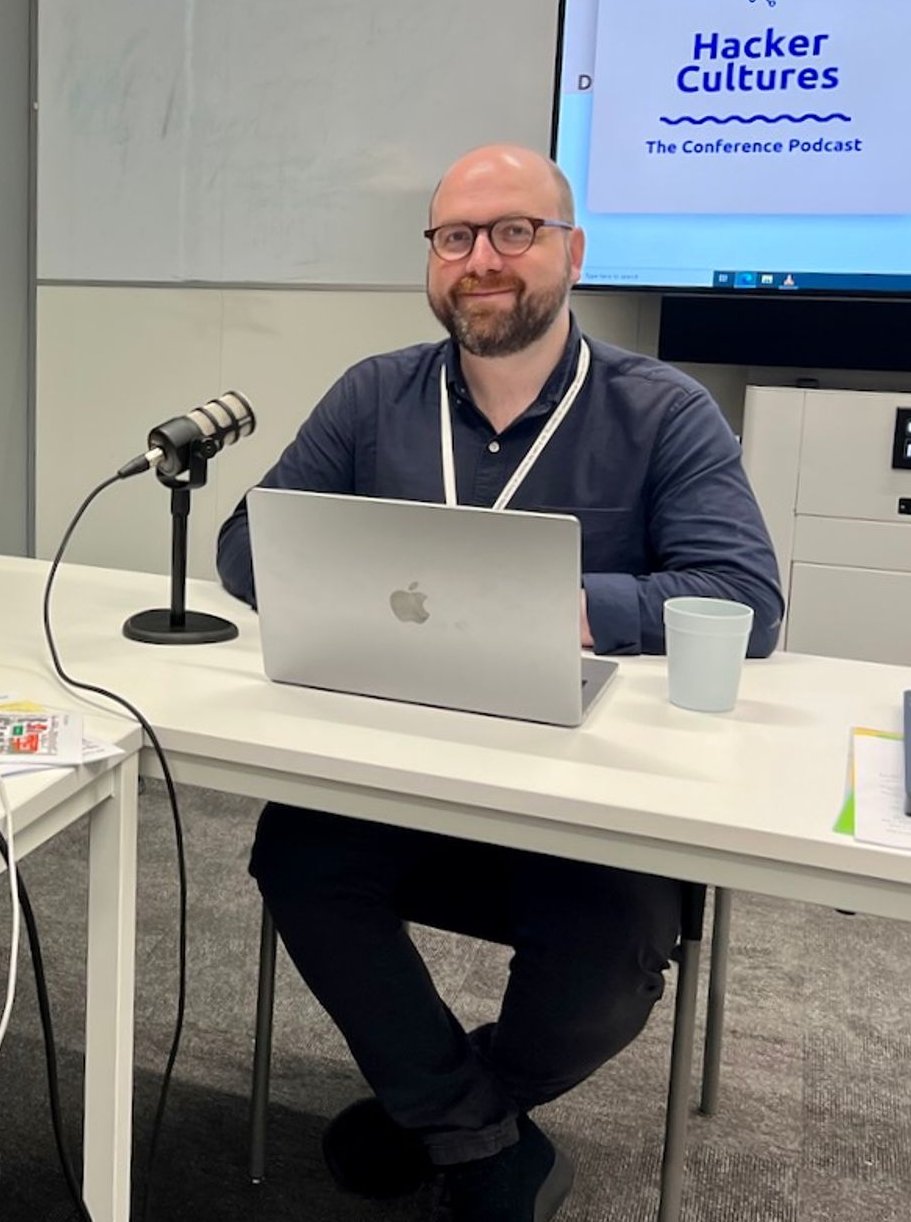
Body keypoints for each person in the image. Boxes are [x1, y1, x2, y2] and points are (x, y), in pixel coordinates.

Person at [215, 144, 784, 1221]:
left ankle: (434, 1111)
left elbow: (744, 598)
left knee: (608, 960)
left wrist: (568, 605)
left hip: (582, 787)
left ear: (569, 251)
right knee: (295, 858)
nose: (480, 260)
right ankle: (483, 1147)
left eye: (512, 232)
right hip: (398, 762)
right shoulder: (372, 395)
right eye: (453, 238)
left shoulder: (658, 411)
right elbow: (248, 550)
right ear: (430, 260)